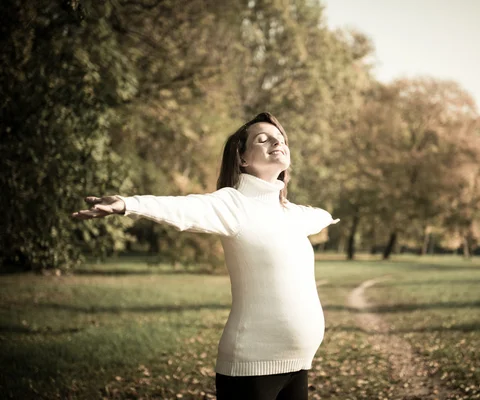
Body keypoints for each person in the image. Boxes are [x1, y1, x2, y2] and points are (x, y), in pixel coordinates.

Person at [73, 112, 339, 400]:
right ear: (242, 159)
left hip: (299, 365)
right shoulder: (233, 204)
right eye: (264, 139)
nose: (277, 142)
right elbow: (182, 209)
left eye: (281, 138)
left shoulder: (291, 214)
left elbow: (319, 216)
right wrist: (127, 204)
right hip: (251, 369)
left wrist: (326, 217)